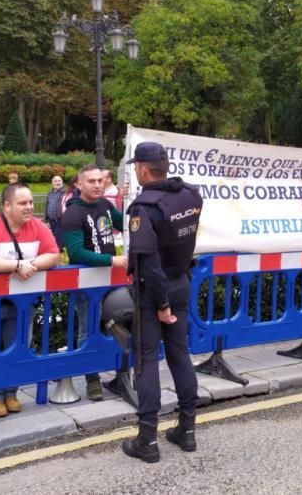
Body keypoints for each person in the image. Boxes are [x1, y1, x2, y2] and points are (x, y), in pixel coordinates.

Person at [121, 142, 203, 464]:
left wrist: (161, 304)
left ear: (142, 169)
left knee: (145, 360)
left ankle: (147, 441)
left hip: (155, 293)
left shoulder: (145, 208)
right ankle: (187, 430)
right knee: (180, 354)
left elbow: (150, 264)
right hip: (181, 281)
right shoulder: (191, 195)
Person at [0, 183, 60, 417]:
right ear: (7, 206)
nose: (29, 207)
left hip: (21, 303)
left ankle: (11, 393)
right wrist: (17, 265)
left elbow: (53, 253)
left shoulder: (38, 226)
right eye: (23, 203)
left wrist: (30, 265)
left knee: (18, 347)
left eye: (31, 202)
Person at [59, 164, 127, 401]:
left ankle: (123, 373)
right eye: (91, 181)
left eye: (100, 180)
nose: (97, 185)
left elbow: (125, 223)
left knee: (122, 324)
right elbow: (76, 253)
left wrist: (129, 200)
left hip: (111, 281)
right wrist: (113, 260)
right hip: (86, 284)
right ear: (78, 184)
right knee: (87, 330)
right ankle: (92, 380)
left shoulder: (106, 205)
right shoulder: (72, 214)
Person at [45, 175, 66, 248]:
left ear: (62, 182)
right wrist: (46, 219)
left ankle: (58, 251)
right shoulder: (50, 193)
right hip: (51, 220)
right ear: (52, 183)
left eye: (59, 180)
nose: (58, 182)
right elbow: (47, 205)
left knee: (58, 238)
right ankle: (60, 250)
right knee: (54, 237)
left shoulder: (65, 192)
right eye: (55, 181)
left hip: (61, 219)